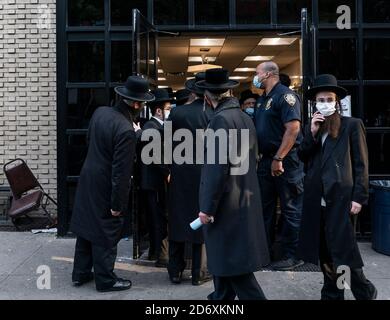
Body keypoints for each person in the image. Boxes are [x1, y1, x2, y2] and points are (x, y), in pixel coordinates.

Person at [70, 75, 155, 292]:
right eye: (142, 103)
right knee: (106, 232)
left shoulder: (101, 112)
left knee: (87, 228)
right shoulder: (126, 130)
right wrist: (117, 205)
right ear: (136, 104)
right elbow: (121, 173)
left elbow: (90, 140)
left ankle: (80, 274)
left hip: (88, 177)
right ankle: (106, 279)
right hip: (106, 185)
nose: (142, 107)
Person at [297, 74, 377, 300]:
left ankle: (361, 290)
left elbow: (361, 163)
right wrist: (311, 134)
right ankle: (334, 292)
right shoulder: (313, 126)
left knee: (342, 252)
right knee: (325, 251)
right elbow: (303, 155)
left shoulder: (352, 125)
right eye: (320, 100)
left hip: (342, 199)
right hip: (316, 200)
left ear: (337, 101)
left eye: (329, 98)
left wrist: (359, 197)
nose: (325, 103)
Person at [196, 68, 270, 300]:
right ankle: (220, 298)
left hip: (226, 204)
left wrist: (207, 208)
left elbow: (216, 171)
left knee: (234, 265)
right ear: (228, 91)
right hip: (243, 197)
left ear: (208, 97)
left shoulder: (220, 121)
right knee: (225, 259)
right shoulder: (245, 117)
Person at [253, 61, 304, 271]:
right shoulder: (263, 99)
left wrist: (279, 158)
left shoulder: (286, 96)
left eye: (257, 74)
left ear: (267, 74)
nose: (255, 78)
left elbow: (292, 129)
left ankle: (293, 255)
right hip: (266, 161)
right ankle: (265, 253)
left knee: (291, 208)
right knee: (265, 208)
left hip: (285, 161)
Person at [166, 72, 212, 285]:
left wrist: (168, 169)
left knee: (177, 220)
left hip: (179, 173)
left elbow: (163, 146)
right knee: (201, 219)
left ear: (192, 91)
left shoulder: (177, 113)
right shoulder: (214, 114)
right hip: (205, 174)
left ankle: (175, 271)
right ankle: (198, 272)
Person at [140, 89, 172, 267]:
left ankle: (156, 252)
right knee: (156, 220)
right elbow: (156, 157)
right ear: (159, 111)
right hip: (154, 182)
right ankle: (158, 253)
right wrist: (167, 172)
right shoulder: (151, 127)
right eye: (168, 108)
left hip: (155, 181)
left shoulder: (157, 127)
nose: (170, 111)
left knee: (157, 218)